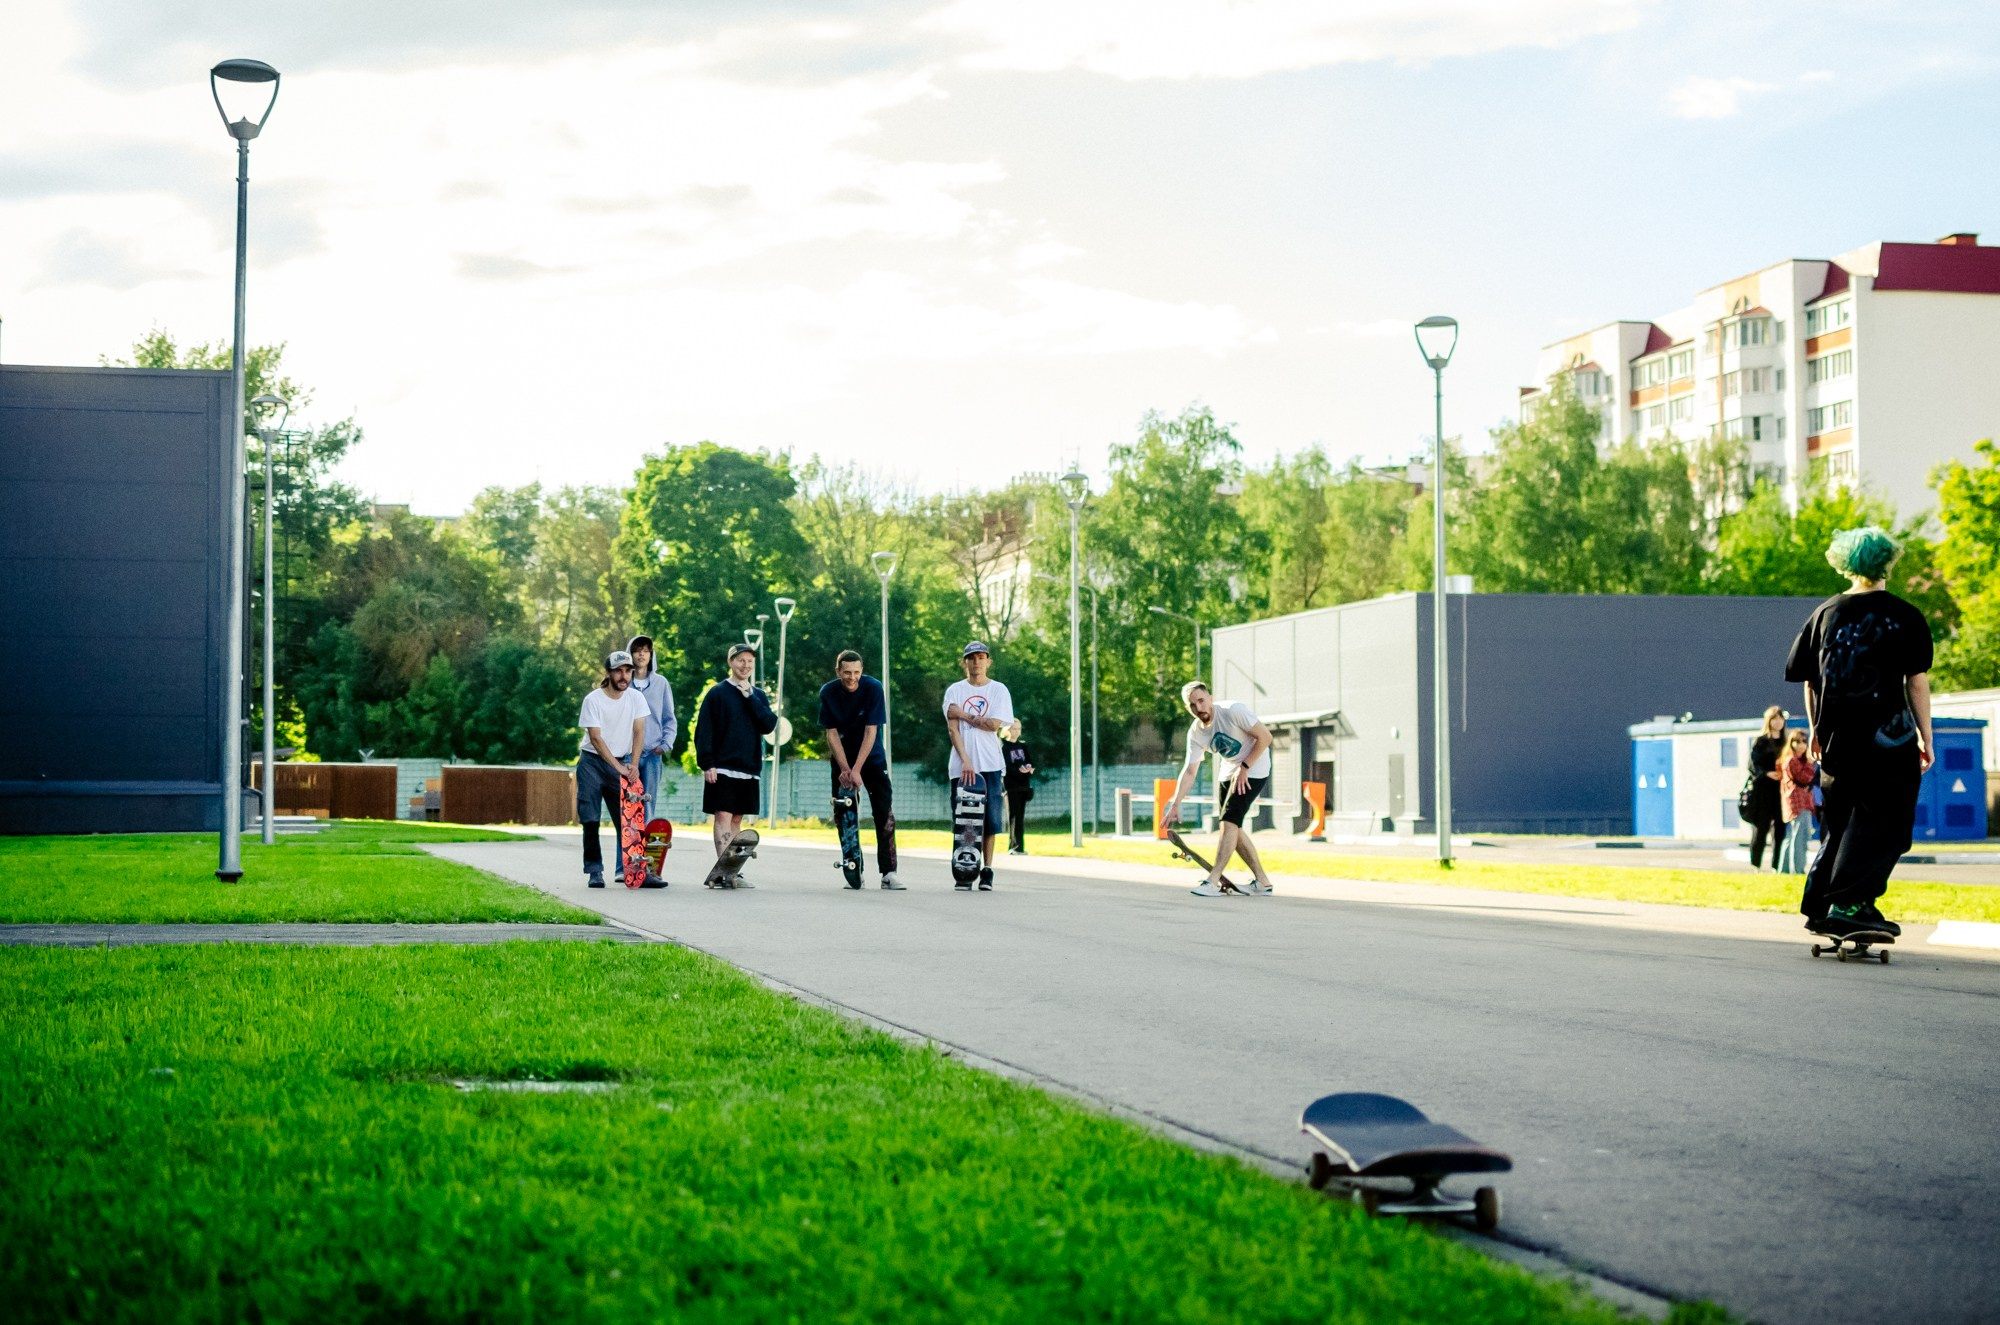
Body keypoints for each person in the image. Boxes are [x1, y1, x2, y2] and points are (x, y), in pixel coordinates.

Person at [1784, 525, 1934, 938]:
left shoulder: (1824, 615)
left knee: (1841, 819)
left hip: (1836, 738)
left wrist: (1815, 730)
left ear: (1844, 562)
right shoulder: (1904, 615)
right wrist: (1926, 736)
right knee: (1889, 821)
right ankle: (1850, 904)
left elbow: (1810, 682)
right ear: (1888, 561)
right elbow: (1916, 682)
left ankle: (1823, 905)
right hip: (1890, 738)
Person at [1161, 682, 1276, 898]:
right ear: (1189, 709)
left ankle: (1213, 880)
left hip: (1255, 767)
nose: (1199, 708)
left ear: (1210, 698)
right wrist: (1175, 803)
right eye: (1193, 705)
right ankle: (1262, 882)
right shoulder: (1196, 733)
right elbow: (1189, 771)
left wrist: (1245, 767)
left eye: (1202, 701)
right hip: (1229, 770)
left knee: (1228, 823)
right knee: (1233, 826)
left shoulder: (1233, 711)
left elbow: (1266, 737)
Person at [693, 643, 778, 889]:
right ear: (731, 662)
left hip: (749, 768)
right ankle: (722, 868)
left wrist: (750, 697)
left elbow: (768, 725)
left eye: (750, 661)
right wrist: (707, 763)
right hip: (722, 767)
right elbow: (704, 731)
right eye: (741, 660)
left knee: (737, 819)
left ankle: (731, 871)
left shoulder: (758, 696)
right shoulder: (717, 693)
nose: (745, 665)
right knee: (723, 815)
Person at [575, 649, 660, 889]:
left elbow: (639, 731)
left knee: (629, 819)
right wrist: (619, 768)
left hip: (621, 762)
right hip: (592, 762)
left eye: (628, 671)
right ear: (609, 673)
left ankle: (638, 871)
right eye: (619, 671)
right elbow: (596, 739)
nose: (624, 676)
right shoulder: (593, 700)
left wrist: (632, 764)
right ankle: (595, 871)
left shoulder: (636, 698)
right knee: (590, 818)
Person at [818, 649, 901, 889]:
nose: (852, 678)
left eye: (856, 673)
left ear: (861, 671)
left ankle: (888, 873)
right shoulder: (829, 692)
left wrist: (857, 769)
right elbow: (831, 734)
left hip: (871, 759)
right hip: (843, 760)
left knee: (884, 814)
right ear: (838, 672)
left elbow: (871, 731)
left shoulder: (873, 688)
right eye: (847, 673)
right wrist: (846, 768)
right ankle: (854, 868)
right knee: (845, 816)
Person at [943, 641, 1014, 890]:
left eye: (981, 657)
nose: (976, 662)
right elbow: (952, 730)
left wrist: (963, 714)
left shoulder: (998, 690)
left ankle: (987, 869)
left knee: (991, 821)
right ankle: (966, 867)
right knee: (966, 821)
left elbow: (994, 724)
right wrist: (966, 761)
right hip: (962, 766)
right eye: (971, 658)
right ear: (965, 662)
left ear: (988, 661)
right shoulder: (954, 690)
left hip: (990, 764)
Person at [627, 634, 678, 822]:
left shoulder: (661, 683)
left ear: (651, 655)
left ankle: (647, 843)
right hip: (628, 754)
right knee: (628, 802)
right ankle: (629, 845)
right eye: (637, 651)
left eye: (646, 651)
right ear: (630, 654)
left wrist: (665, 745)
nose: (641, 655)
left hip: (652, 754)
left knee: (648, 800)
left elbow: (669, 718)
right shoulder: (624, 683)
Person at [1745, 706, 1787, 870]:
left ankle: (1777, 866)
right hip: (1763, 791)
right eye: (1775, 719)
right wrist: (1767, 774)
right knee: (1760, 829)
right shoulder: (1761, 741)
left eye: (1780, 718)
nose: (1778, 722)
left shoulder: (1786, 742)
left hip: (1781, 791)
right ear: (1768, 721)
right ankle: (1756, 865)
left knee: (1780, 831)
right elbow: (1753, 764)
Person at [1775, 728, 1818, 875]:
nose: (1801, 745)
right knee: (1800, 838)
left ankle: (1785, 870)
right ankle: (1797, 870)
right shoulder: (1792, 760)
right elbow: (1805, 778)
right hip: (1798, 804)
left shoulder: (1795, 760)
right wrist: (1810, 763)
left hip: (1800, 804)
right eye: (1797, 741)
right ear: (1791, 743)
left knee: (1792, 837)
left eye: (1804, 741)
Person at [1000, 720, 1035, 855]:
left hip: (1023, 785)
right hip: (1011, 786)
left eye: (1019, 729)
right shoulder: (1004, 746)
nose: (1016, 731)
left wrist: (1028, 768)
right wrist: (1019, 770)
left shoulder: (1023, 746)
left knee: (1020, 816)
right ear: (1008, 730)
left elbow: (1029, 761)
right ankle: (1014, 846)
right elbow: (1006, 766)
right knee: (1013, 816)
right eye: (1014, 728)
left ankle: (1019, 846)